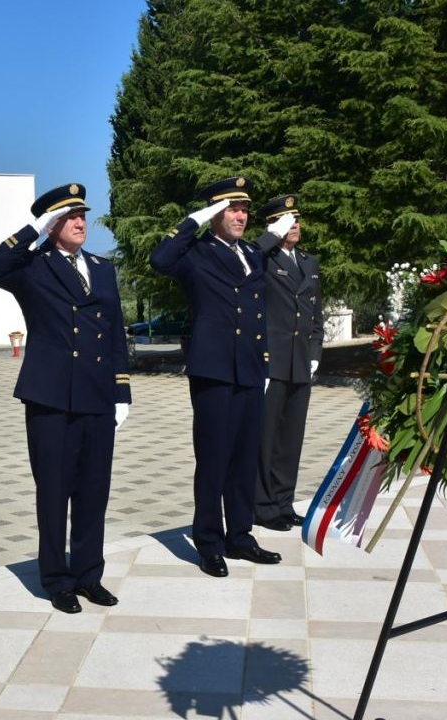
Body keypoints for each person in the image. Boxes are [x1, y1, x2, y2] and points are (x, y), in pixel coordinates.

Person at [0, 183, 132, 613]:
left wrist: (121, 388)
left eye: (82, 214)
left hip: (98, 393)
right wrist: (34, 229)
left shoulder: (102, 268)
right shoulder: (32, 266)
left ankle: (89, 574)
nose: (80, 222)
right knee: (54, 490)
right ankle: (56, 577)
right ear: (51, 225)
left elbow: (116, 329)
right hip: (52, 396)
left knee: (93, 490)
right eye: (68, 217)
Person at [150, 176, 282, 577]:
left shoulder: (250, 253)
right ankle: (208, 541)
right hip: (214, 369)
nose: (241, 216)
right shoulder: (196, 253)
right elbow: (160, 260)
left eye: (244, 210)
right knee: (213, 459)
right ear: (214, 214)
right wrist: (194, 220)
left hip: (249, 368)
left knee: (244, 457)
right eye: (232, 209)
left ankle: (239, 536)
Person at [253, 195, 324, 530]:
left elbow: (315, 316)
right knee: (265, 438)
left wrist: (314, 354)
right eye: (285, 220)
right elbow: (249, 257)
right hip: (272, 361)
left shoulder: (309, 262)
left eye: (296, 218)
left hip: (299, 362)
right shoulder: (262, 260)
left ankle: (283, 502)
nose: (294, 225)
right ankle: (262, 506)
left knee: (291, 438)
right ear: (272, 225)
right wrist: (269, 237)